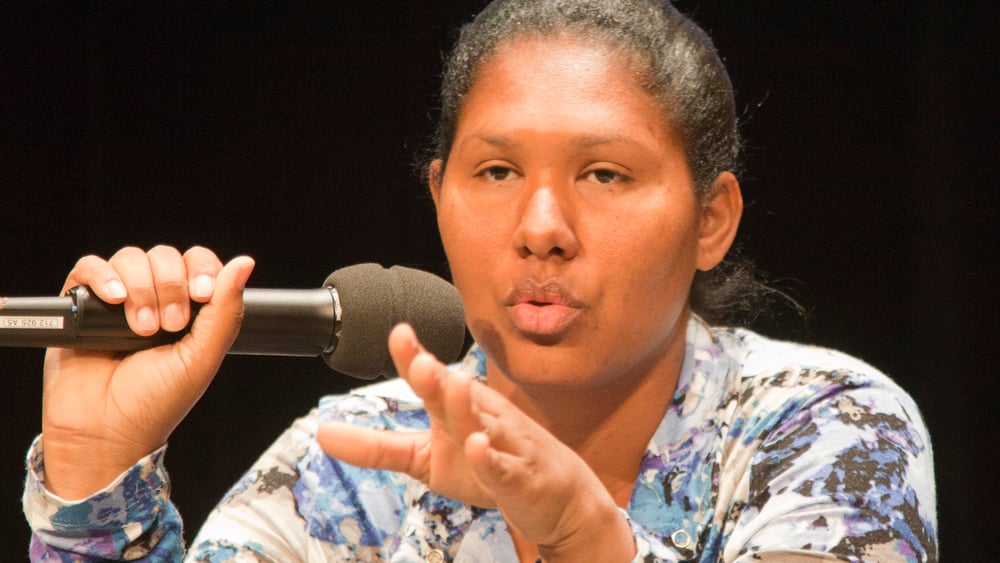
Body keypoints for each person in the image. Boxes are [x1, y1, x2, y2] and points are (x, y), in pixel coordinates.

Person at [23, 0, 938, 561]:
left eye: (604, 174)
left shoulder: (825, 423)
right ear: (439, 197)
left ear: (712, 219)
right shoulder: (353, 459)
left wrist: (584, 538)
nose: (541, 228)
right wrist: (93, 470)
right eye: (496, 172)